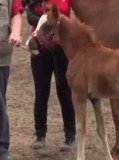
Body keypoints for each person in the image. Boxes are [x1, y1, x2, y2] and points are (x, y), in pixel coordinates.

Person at [26, 0, 76, 151]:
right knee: (41, 91)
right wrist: (47, 22)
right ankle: (40, 133)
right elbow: (30, 16)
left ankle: (70, 135)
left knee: (65, 92)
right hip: (40, 46)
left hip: (61, 47)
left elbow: (76, 14)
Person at [0, 0, 23, 160]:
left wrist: (15, 32)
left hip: (2, 55)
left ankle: (1, 147)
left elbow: (15, 14)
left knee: (1, 99)